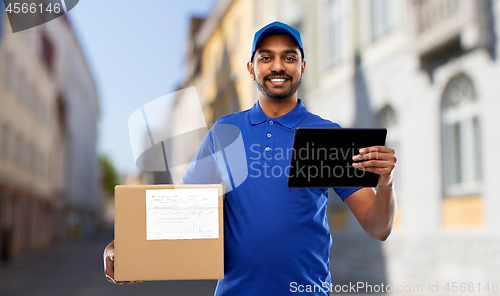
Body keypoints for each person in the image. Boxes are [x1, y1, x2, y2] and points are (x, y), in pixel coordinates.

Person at [103, 21, 397, 295]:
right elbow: (182, 213)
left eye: (289, 57)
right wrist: (128, 251)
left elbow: (377, 226)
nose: (278, 66)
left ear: (302, 66)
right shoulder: (224, 132)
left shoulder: (326, 136)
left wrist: (385, 184)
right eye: (266, 57)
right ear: (251, 67)